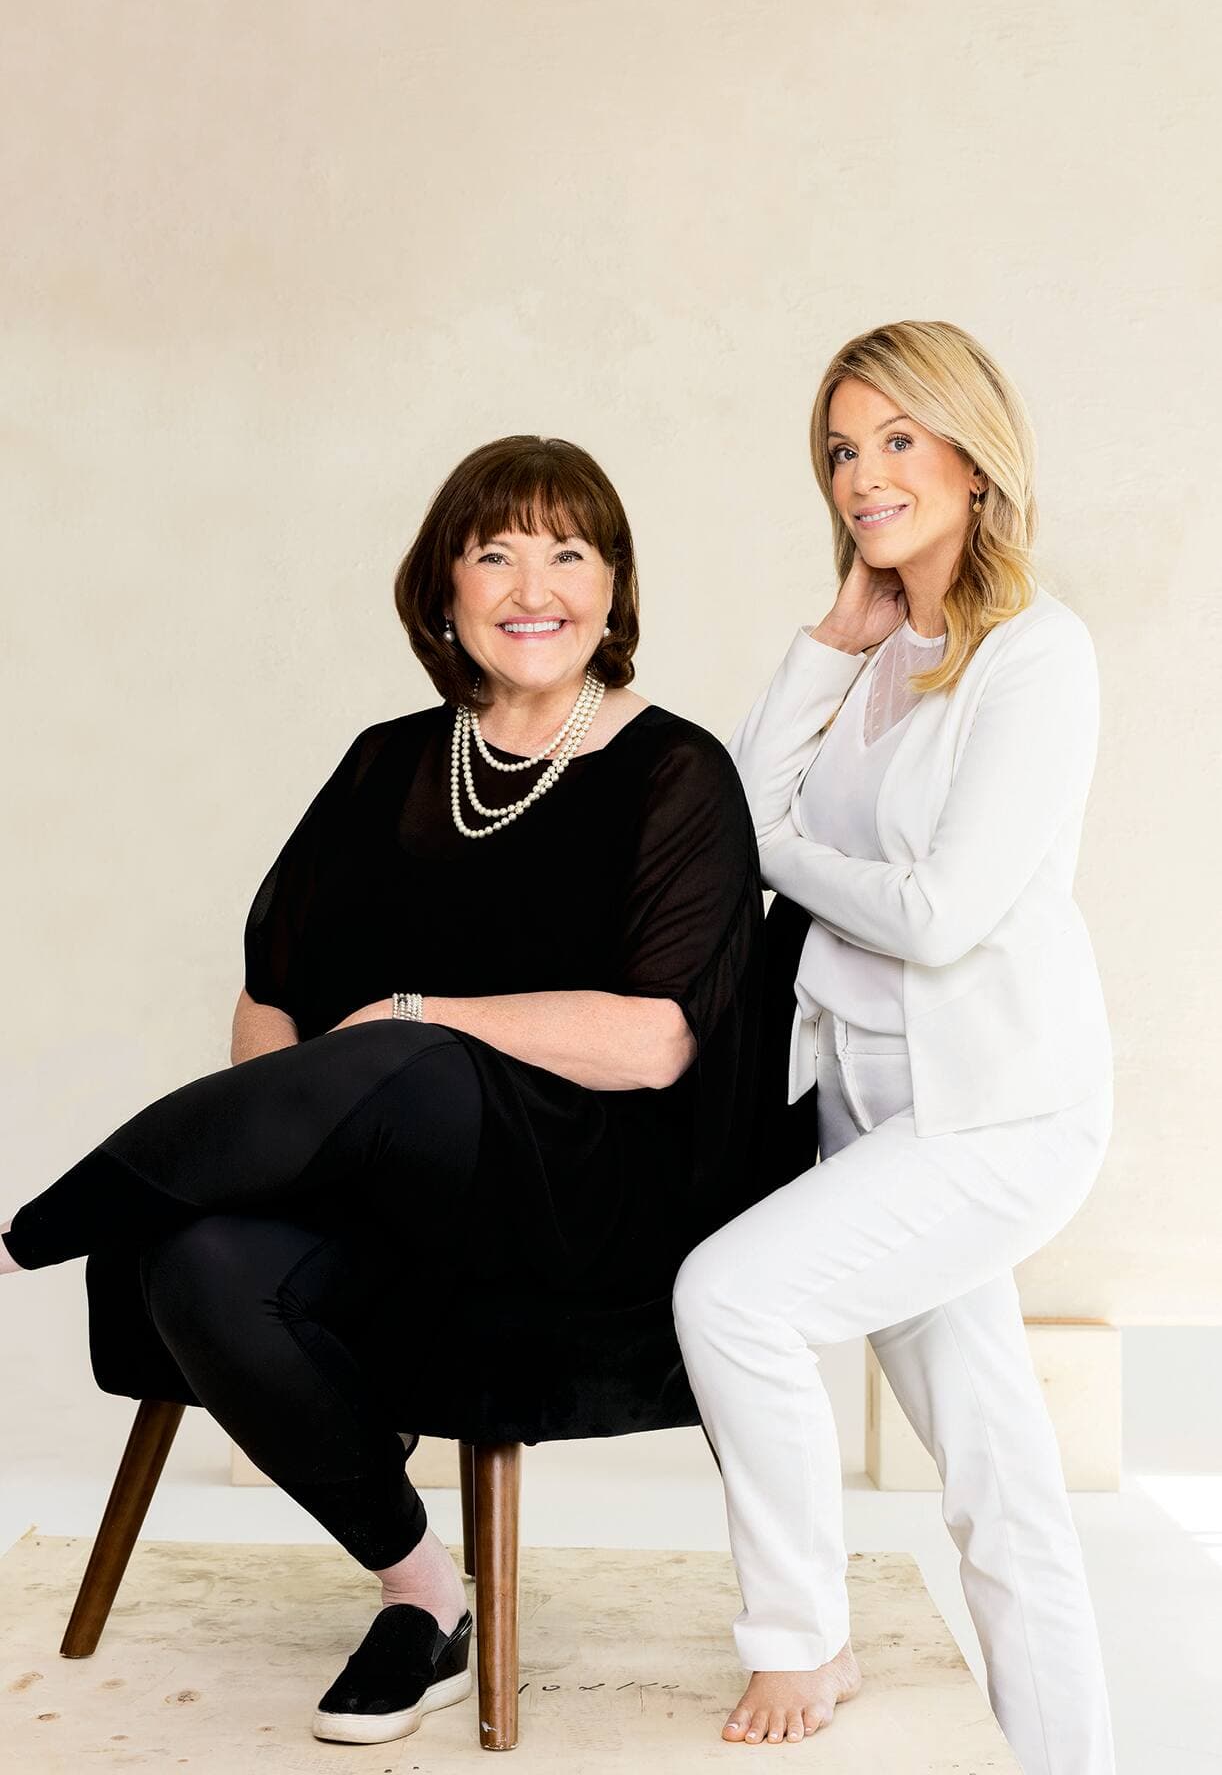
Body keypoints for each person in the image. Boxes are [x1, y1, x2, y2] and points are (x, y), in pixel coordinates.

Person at [2, 434, 763, 1748]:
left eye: (569, 553)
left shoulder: (676, 771)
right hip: (380, 1189)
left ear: (614, 587)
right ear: (445, 592)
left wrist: (420, 1018)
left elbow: (654, 1045)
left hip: (581, 1198)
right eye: (495, 554)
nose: (534, 587)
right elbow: (268, 998)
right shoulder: (384, 762)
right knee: (199, 1260)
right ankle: (421, 1596)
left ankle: (43, 1223)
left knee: (408, 1051)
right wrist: (306, 1131)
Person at [672, 321, 1115, 1772]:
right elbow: (732, 815)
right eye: (842, 451)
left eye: (898, 440)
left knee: (732, 1299)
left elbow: (940, 914)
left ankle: (802, 1634)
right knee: (1001, 1486)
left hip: (993, 1115)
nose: (864, 475)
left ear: (974, 459)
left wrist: (782, 853)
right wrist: (829, 641)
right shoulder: (878, 656)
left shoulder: (1035, 656)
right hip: (863, 1109)